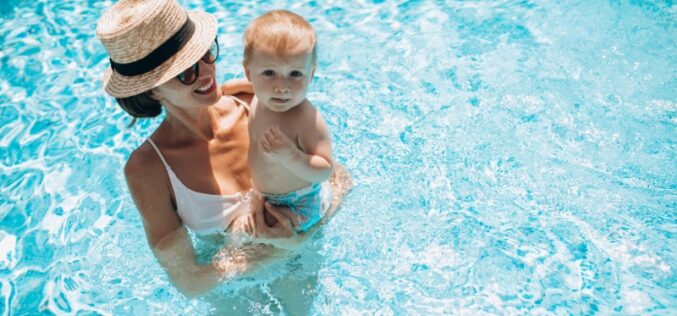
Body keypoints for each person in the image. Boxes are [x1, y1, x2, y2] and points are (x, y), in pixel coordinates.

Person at [95, 0, 351, 298]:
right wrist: (280, 249)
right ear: (151, 89)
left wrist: (300, 239)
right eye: (186, 72)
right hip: (237, 297)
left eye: (206, 54)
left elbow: (340, 180)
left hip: (303, 267)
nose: (207, 73)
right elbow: (189, 281)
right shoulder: (149, 170)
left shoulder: (256, 99)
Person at [242, 10, 333, 233]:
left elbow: (324, 170)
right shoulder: (258, 97)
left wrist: (292, 157)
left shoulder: (304, 118)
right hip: (268, 195)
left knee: (255, 244)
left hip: (300, 202)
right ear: (249, 73)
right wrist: (226, 90)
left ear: (311, 75)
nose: (282, 86)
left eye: (295, 74)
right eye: (270, 72)